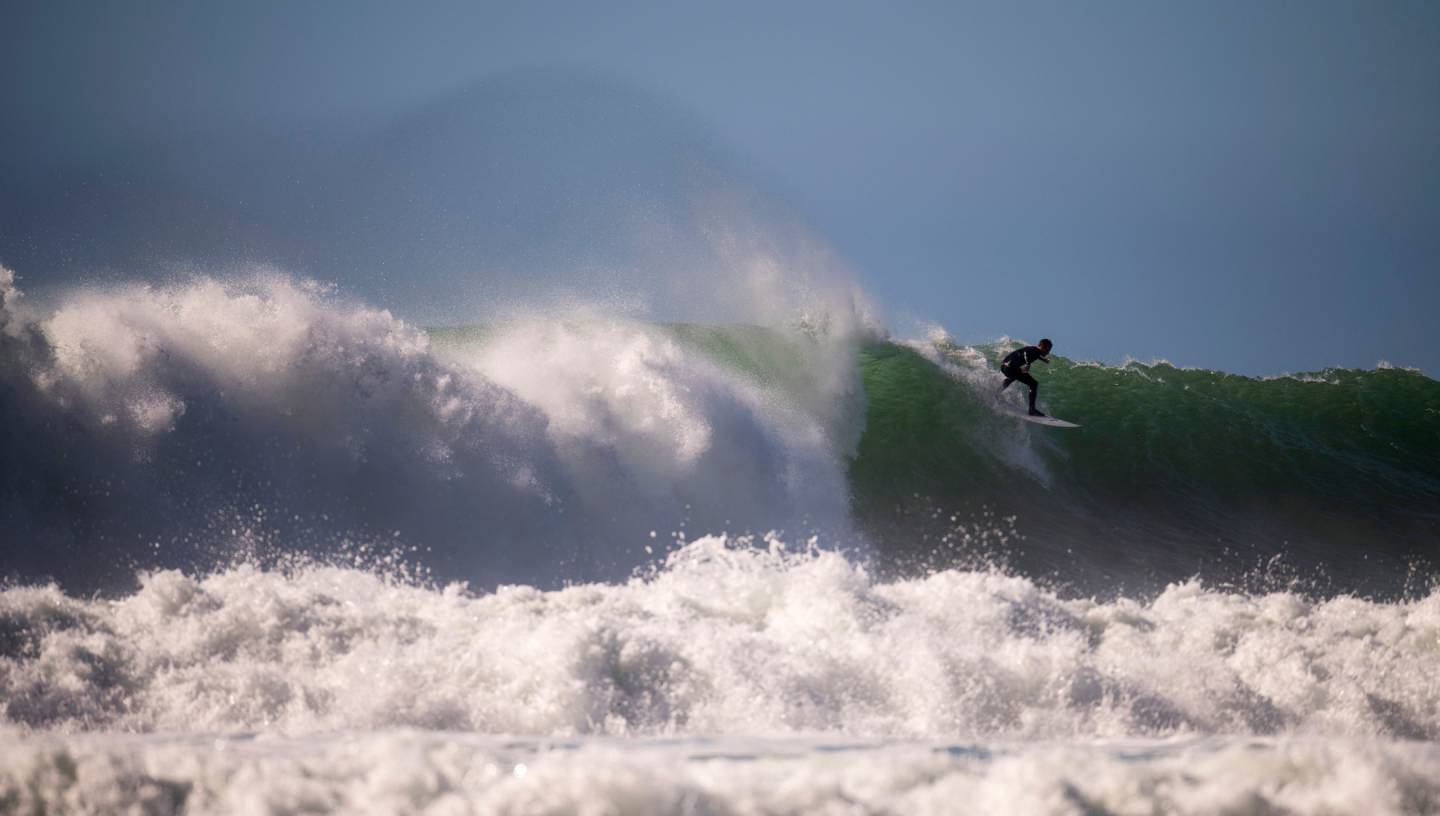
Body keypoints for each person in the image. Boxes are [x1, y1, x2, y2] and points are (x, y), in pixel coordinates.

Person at [999, 338, 1053, 416]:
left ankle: (997, 393)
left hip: (1005, 366)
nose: (1048, 352)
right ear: (1042, 346)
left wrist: (1043, 359)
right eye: (1048, 349)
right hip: (1010, 367)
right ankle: (1032, 409)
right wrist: (1028, 364)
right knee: (1033, 384)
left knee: (1013, 377)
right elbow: (1025, 354)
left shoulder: (1034, 350)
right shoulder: (1034, 350)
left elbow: (1033, 354)